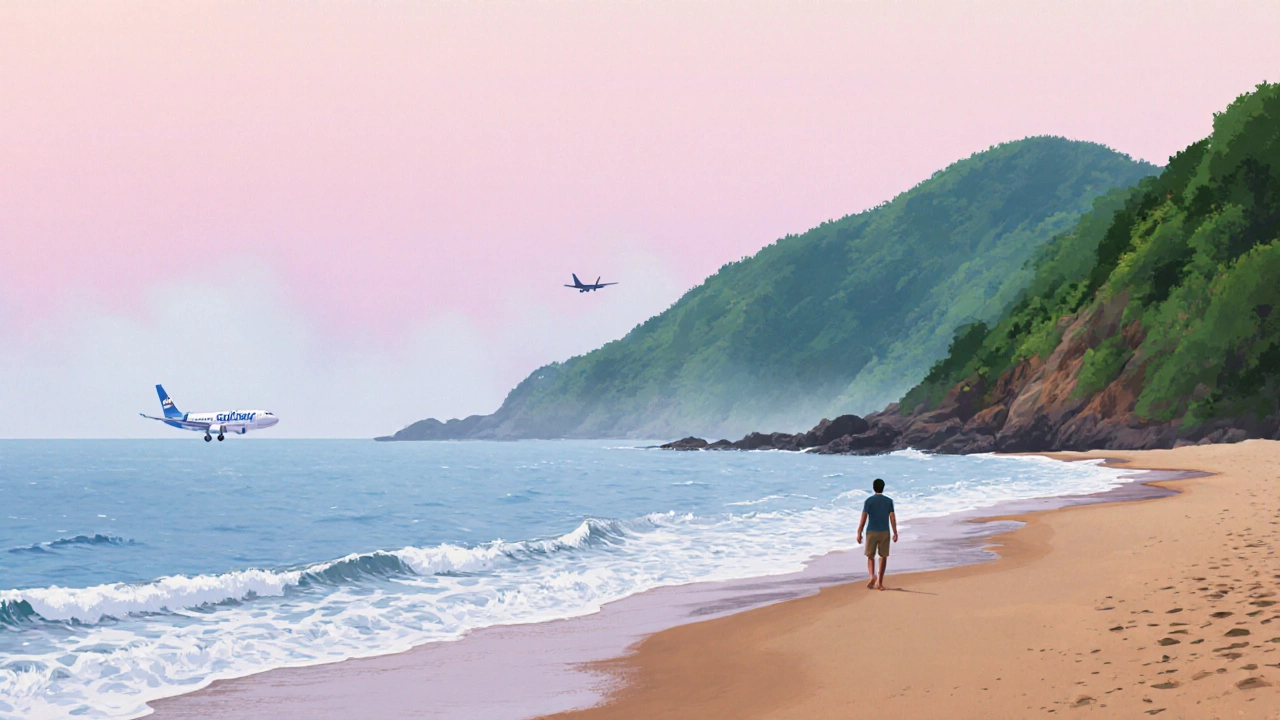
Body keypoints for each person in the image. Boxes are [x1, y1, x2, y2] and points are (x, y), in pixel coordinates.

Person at [856, 478, 897, 590]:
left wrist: (859, 532)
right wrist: (895, 532)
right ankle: (879, 582)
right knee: (883, 557)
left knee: (870, 556)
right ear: (883, 488)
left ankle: (872, 576)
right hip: (885, 531)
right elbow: (892, 518)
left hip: (871, 532)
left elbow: (863, 518)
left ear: (873, 488)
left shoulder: (868, 501)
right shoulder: (889, 501)